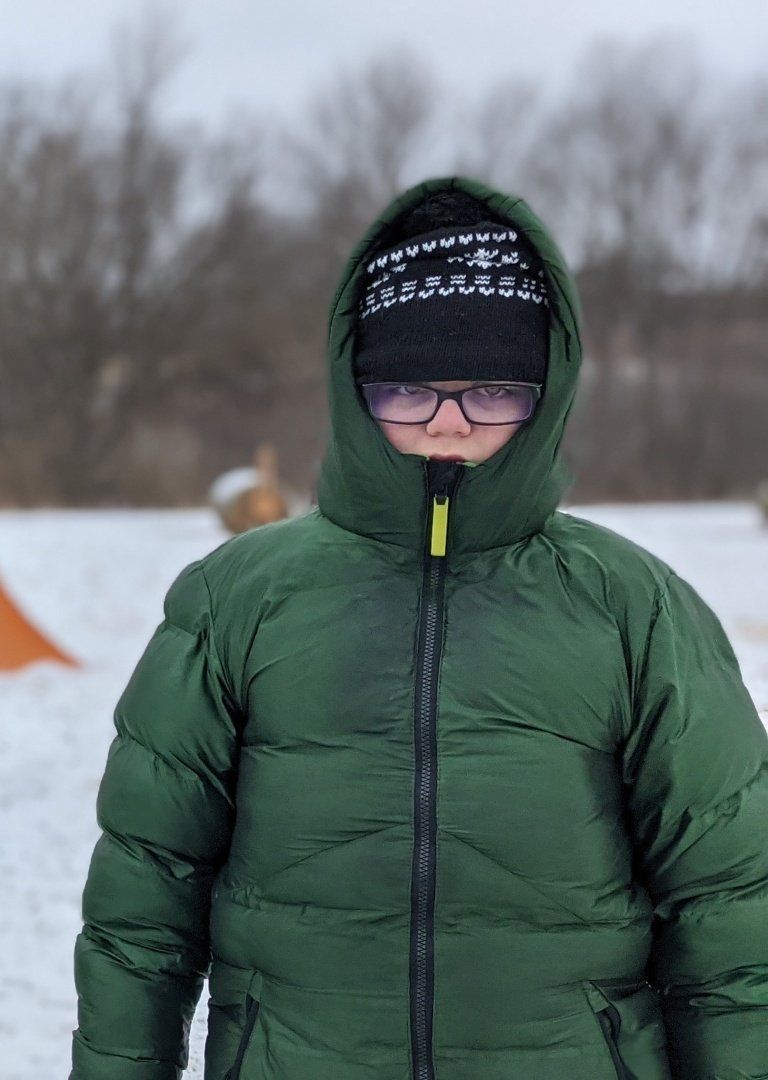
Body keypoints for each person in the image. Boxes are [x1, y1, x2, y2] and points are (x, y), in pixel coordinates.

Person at [72, 179, 768, 1078]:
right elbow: (144, 905)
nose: (448, 425)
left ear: (547, 395)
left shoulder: (636, 607)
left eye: (492, 391)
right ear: (355, 391)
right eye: (408, 390)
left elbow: (733, 916)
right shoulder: (234, 599)